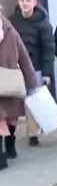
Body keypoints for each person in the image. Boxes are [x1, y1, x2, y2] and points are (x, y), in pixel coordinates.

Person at [9, 0, 55, 146]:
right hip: (14, 66)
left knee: (32, 101)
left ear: (34, 3)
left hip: (34, 66)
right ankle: (10, 135)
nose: (24, 3)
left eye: (28, 0)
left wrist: (47, 72)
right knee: (13, 100)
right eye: (22, 0)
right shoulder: (12, 20)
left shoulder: (43, 23)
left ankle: (33, 134)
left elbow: (48, 48)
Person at [0, 13, 39, 168]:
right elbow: (24, 58)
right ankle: (10, 147)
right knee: (10, 117)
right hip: (10, 81)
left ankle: (1, 157)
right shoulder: (11, 31)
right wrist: (31, 83)